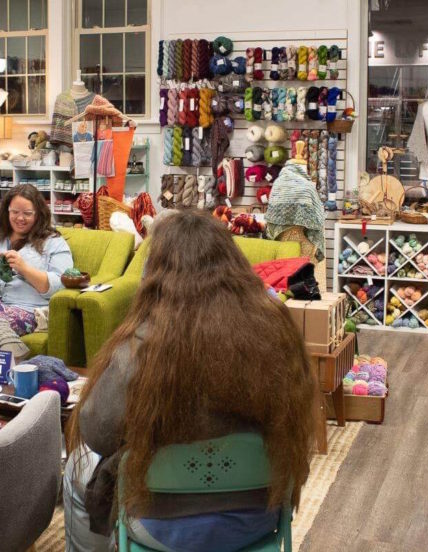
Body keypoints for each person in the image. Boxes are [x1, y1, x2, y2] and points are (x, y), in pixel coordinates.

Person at [63, 210, 317, 552]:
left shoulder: (140, 346)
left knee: (76, 469)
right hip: (258, 518)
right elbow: (298, 428)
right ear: (235, 265)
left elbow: (97, 433)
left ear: (155, 275)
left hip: (158, 528)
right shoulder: (277, 331)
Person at [0, 183, 72, 359]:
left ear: (38, 214)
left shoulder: (54, 243)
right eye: (15, 212)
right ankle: (13, 351)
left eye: (27, 214)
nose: (20, 218)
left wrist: (24, 268)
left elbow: (61, 286)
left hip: (26, 311)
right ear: (7, 211)